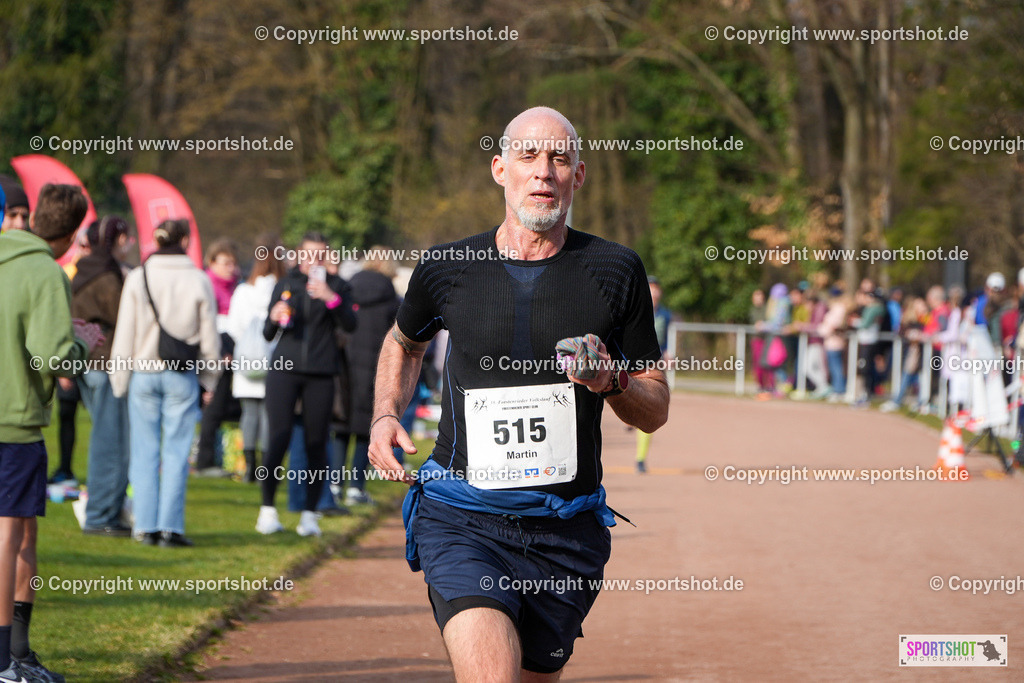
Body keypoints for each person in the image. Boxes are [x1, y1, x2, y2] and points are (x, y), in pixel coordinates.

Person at [369, 107, 669, 681]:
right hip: (462, 516)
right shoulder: (449, 266)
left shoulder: (615, 270)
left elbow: (654, 409)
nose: (544, 172)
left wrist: (612, 381)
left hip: (566, 532)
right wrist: (386, 414)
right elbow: (404, 342)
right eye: (529, 157)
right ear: (500, 169)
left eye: (559, 158)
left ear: (578, 175)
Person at [0, 183, 104, 683]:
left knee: (24, 534)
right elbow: (50, 357)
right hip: (14, 419)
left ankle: (19, 651)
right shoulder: (46, 270)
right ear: (71, 232)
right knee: (12, 535)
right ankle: (5, 660)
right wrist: (80, 344)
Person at [109, 219, 221, 548]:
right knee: (176, 452)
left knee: (143, 452)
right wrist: (210, 378)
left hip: (143, 372)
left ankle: (144, 527)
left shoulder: (138, 277)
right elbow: (210, 339)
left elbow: (124, 332)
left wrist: (119, 379)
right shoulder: (199, 279)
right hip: (182, 375)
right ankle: (170, 528)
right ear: (185, 240)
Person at [257, 233, 356, 537]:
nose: (314, 260)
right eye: (309, 254)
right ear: (299, 255)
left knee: (316, 443)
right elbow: (267, 333)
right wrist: (274, 317)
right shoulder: (285, 284)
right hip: (284, 370)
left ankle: (310, 515)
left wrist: (330, 298)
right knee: (279, 437)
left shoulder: (338, 286)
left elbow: (351, 325)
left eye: (320, 254)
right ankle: (267, 510)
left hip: (321, 373)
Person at [71, 216, 134, 536]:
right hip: (106, 366)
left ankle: (106, 512)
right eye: (125, 238)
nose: (130, 243)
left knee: (106, 438)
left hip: (87, 365)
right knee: (111, 442)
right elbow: (125, 317)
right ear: (114, 240)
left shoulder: (84, 270)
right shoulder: (107, 277)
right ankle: (100, 515)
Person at [339, 250, 401, 505]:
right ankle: (356, 488)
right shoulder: (391, 298)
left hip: (346, 365)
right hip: (376, 367)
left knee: (341, 427)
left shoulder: (348, 289)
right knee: (366, 427)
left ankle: (333, 485)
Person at [227, 235, 285, 482]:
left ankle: (250, 468)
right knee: (269, 416)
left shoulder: (243, 291)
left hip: (247, 361)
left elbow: (233, 326)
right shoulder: (284, 290)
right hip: (276, 360)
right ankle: (267, 470)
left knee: (249, 414)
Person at [195, 239, 241, 476]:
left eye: (233, 263)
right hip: (213, 350)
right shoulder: (206, 285)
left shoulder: (235, 287)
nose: (230, 268)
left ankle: (217, 455)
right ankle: (204, 460)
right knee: (212, 405)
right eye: (225, 263)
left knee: (222, 404)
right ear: (211, 263)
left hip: (232, 350)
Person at [635, 276, 672, 473]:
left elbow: (668, 339)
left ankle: (640, 459)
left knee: (649, 408)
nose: (654, 293)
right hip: (634, 362)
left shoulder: (665, 314)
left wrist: (668, 353)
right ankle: (630, 417)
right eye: (650, 289)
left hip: (655, 363)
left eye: (657, 289)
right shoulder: (636, 309)